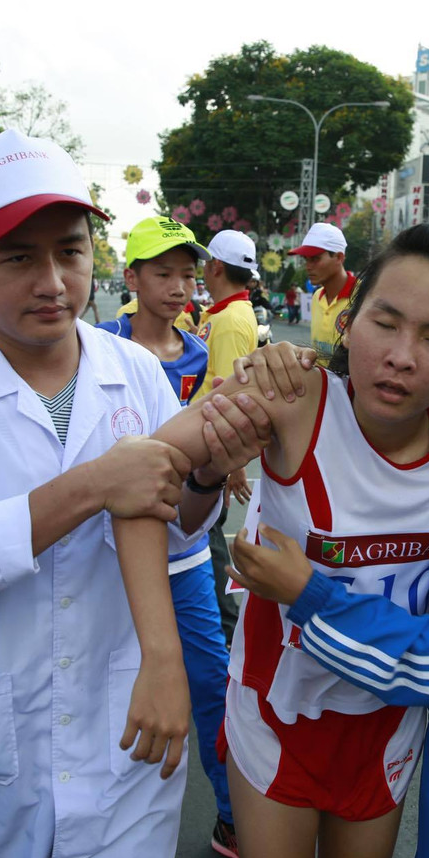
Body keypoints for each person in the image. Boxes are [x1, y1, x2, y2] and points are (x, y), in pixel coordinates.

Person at [0, 130, 265, 858]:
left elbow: (175, 536)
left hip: (124, 733)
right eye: (19, 257)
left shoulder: (134, 372)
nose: (53, 281)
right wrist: (90, 487)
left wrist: (205, 478)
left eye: (70, 252)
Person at [142, 224, 429, 858]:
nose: (402, 356)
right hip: (278, 714)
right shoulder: (288, 394)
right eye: (385, 323)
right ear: (349, 320)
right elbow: (138, 476)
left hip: (390, 721)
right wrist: (159, 655)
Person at [95, 215, 239, 858]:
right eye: (163, 273)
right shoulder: (96, 344)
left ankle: (234, 816)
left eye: (187, 273)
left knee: (209, 681)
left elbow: (199, 430)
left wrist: (218, 463)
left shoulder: (199, 350)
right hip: (111, 555)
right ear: (131, 278)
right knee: (106, 681)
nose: (180, 286)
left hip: (185, 546)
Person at [192, 229, 262, 644]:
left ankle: (225, 626)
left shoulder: (232, 320)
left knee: (209, 536)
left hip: (211, 448)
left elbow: (230, 393)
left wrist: (233, 464)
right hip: (204, 442)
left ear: (215, 266)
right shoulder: (222, 313)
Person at [290, 222, 353, 366]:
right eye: (306, 259)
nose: (308, 266)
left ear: (339, 257)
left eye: (315, 259)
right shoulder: (317, 297)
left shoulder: (363, 297)